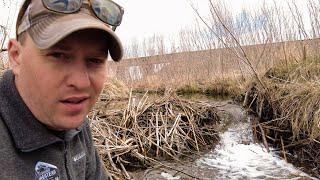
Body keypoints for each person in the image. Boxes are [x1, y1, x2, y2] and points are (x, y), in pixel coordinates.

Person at [0, 0, 124, 179]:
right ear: (16, 57)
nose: (81, 83)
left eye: (94, 60)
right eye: (58, 56)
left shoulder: (76, 123)